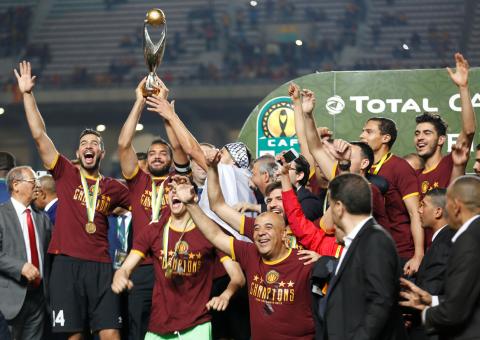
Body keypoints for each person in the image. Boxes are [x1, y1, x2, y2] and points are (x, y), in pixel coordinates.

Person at [15, 60, 130, 339]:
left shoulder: (114, 187)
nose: (89, 146)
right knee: (73, 335)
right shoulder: (65, 172)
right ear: (78, 154)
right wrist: (28, 95)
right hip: (66, 264)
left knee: (111, 335)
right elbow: (39, 135)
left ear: (101, 154)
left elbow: (142, 204)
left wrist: (116, 208)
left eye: (95, 144)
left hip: (102, 265)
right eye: (84, 144)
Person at [172, 175, 316, 339]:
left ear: (284, 235)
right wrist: (190, 204)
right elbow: (215, 235)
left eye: (268, 227)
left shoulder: (306, 259)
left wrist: (326, 261)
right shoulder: (250, 253)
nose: (261, 232)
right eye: (256, 228)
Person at [111, 178, 245, 340]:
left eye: (180, 188)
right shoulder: (154, 231)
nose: (174, 192)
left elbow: (238, 277)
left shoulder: (211, 232)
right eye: (171, 189)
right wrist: (120, 275)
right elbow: (126, 268)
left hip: (197, 324)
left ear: (193, 196)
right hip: (159, 326)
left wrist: (225, 295)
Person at [118, 78, 191, 340]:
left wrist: (165, 111)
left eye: (163, 152)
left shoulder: (179, 180)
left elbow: (182, 147)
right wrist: (139, 100)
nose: (157, 155)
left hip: (173, 264)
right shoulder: (139, 182)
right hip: (142, 266)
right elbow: (124, 145)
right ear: (146, 160)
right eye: (152, 153)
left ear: (170, 160)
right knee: (137, 329)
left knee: (172, 328)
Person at [322, 173, 407, 340]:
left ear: (339, 207)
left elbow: (380, 302)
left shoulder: (375, 240)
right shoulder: (358, 239)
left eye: (330, 206)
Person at [400, 175, 480, 339]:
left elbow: (455, 311)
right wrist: (433, 300)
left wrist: (424, 315)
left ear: (456, 207)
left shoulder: (468, 240)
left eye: (447, 204)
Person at [360, 117, 423, 275]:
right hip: (370, 251)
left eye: (369, 131)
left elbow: (415, 212)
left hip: (399, 251)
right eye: (362, 131)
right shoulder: (360, 167)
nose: (362, 135)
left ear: (385, 138)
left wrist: (418, 255)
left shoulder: (400, 167)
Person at [0, 166, 51, 340]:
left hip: (39, 299)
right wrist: (20, 266)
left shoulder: (42, 217)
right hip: (10, 300)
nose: (38, 185)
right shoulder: (1, 214)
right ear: (16, 185)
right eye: (33, 182)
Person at [415, 53, 476, 196]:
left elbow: (468, 131)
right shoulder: (414, 176)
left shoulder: (450, 162)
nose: (420, 138)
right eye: (417, 133)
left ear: (441, 139)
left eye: (427, 133)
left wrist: (463, 87)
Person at [408, 188, 455, 340]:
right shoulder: (443, 239)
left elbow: (430, 290)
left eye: (423, 205)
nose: (419, 210)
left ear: (438, 212)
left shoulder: (443, 244)